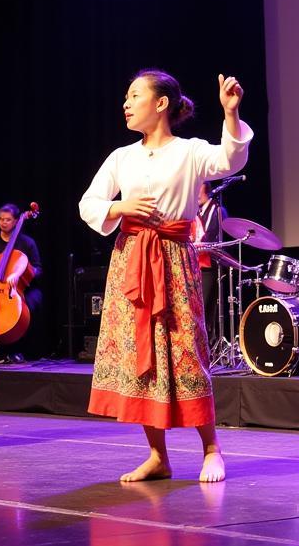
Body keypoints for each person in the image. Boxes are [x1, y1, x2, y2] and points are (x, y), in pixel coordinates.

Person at [79, 71, 251, 483]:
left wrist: (231, 114)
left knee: (185, 350)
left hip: (173, 258)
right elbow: (89, 202)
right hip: (132, 259)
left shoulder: (189, 151)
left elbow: (230, 159)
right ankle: (158, 454)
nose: (126, 102)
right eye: (126, 95)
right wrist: (121, 208)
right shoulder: (121, 157)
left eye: (134, 94)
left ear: (161, 104)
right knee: (142, 354)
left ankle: (212, 448)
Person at [0, 203, 43, 362]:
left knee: (28, 305)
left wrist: (21, 272)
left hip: (22, 288)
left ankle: (18, 350)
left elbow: (39, 269)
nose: (4, 222)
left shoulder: (27, 242)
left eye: (8, 219)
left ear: (17, 221)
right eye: (1, 219)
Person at [193, 182, 226, 347]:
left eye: (197, 187)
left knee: (206, 307)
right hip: (196, 265)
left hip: (210, 266)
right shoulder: (197, 211)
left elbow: (211, 236)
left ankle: (208, 346)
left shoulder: (217, 210)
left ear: (205, 187)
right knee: (196, 307)